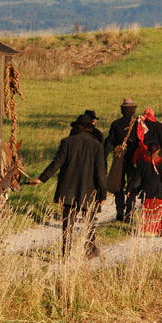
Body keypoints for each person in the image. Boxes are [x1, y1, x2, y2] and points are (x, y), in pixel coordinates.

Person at [31, 113, 107, 258]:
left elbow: (56, 163)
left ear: (78, 127)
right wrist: (103, 193)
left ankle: (65, 253)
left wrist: (41, 179)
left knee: (67, 225)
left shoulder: (67, 142)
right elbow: (100, 173)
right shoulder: (97, 146)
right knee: (89, 223)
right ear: (90, 128)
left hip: (68, 189)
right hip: (89, 190)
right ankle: (90, 249)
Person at [105, 98, 137, 221]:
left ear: (122, 110)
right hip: (133, 159)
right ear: (133, 110)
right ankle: (129, 212)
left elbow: (109, 143)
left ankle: (119, 211)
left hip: (119, 158)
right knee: (132, 185)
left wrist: (103, 157)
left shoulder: (116, 124)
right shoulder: (138, 124)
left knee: (118, 184)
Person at [138, 141, 162, 236]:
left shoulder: (141, 161)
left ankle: (147, 229)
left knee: (148, 210)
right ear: (158, 151)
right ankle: (161, 228)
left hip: (147, 190)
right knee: (160, 210)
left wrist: (130, 189)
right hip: (158, 190)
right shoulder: (161, 163)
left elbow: (136, 177)